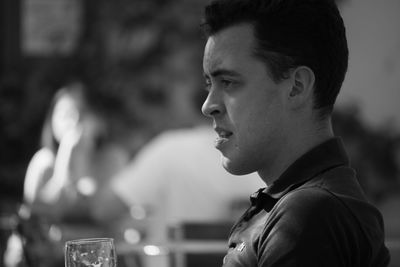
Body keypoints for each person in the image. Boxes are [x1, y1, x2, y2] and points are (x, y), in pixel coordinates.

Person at [200, 0, 391, 266]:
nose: (208, 105)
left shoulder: (310, 213)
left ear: (297, 87)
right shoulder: (302, 205)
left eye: (228, 82)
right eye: (209, 83)